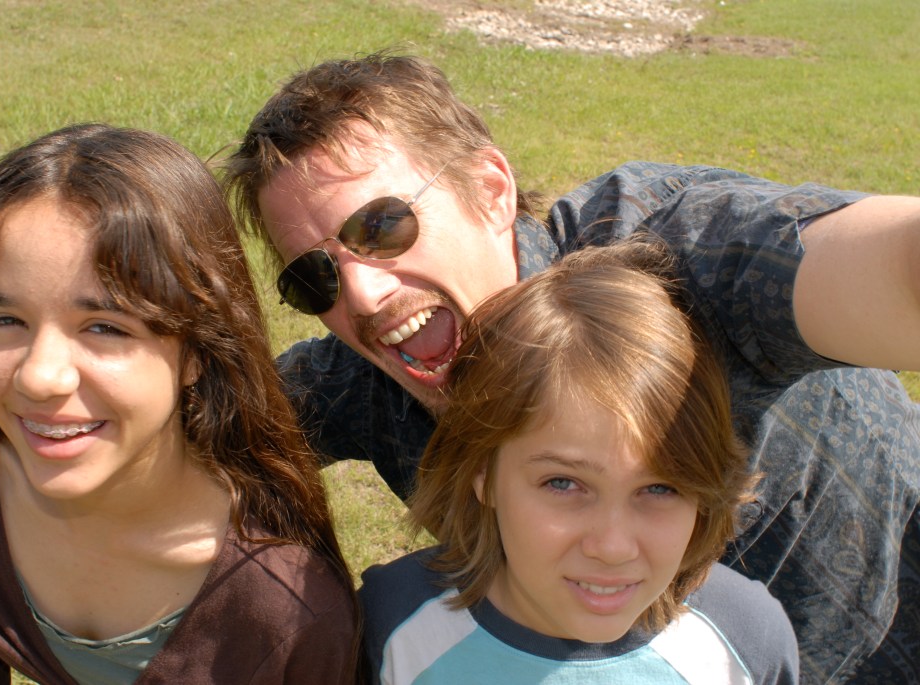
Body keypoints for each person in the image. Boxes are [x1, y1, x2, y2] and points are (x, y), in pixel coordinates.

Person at [222, 52, 920, 684]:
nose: (362, 296)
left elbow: (882, 270)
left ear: (490, 190)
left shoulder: (673, 261)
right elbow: (190, 429)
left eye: (379, 226)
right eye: (314, 278)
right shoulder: (369, 384)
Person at [0, 123, 357, 684]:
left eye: (105, 328)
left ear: (198, 353)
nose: (40, 376)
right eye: (6, 320)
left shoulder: (283, 614)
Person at [359, 241, 797, 684]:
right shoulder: (391, 626)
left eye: (661, 488)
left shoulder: (745, 641)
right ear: (483, 473)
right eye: (563, 484)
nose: (612, 547)